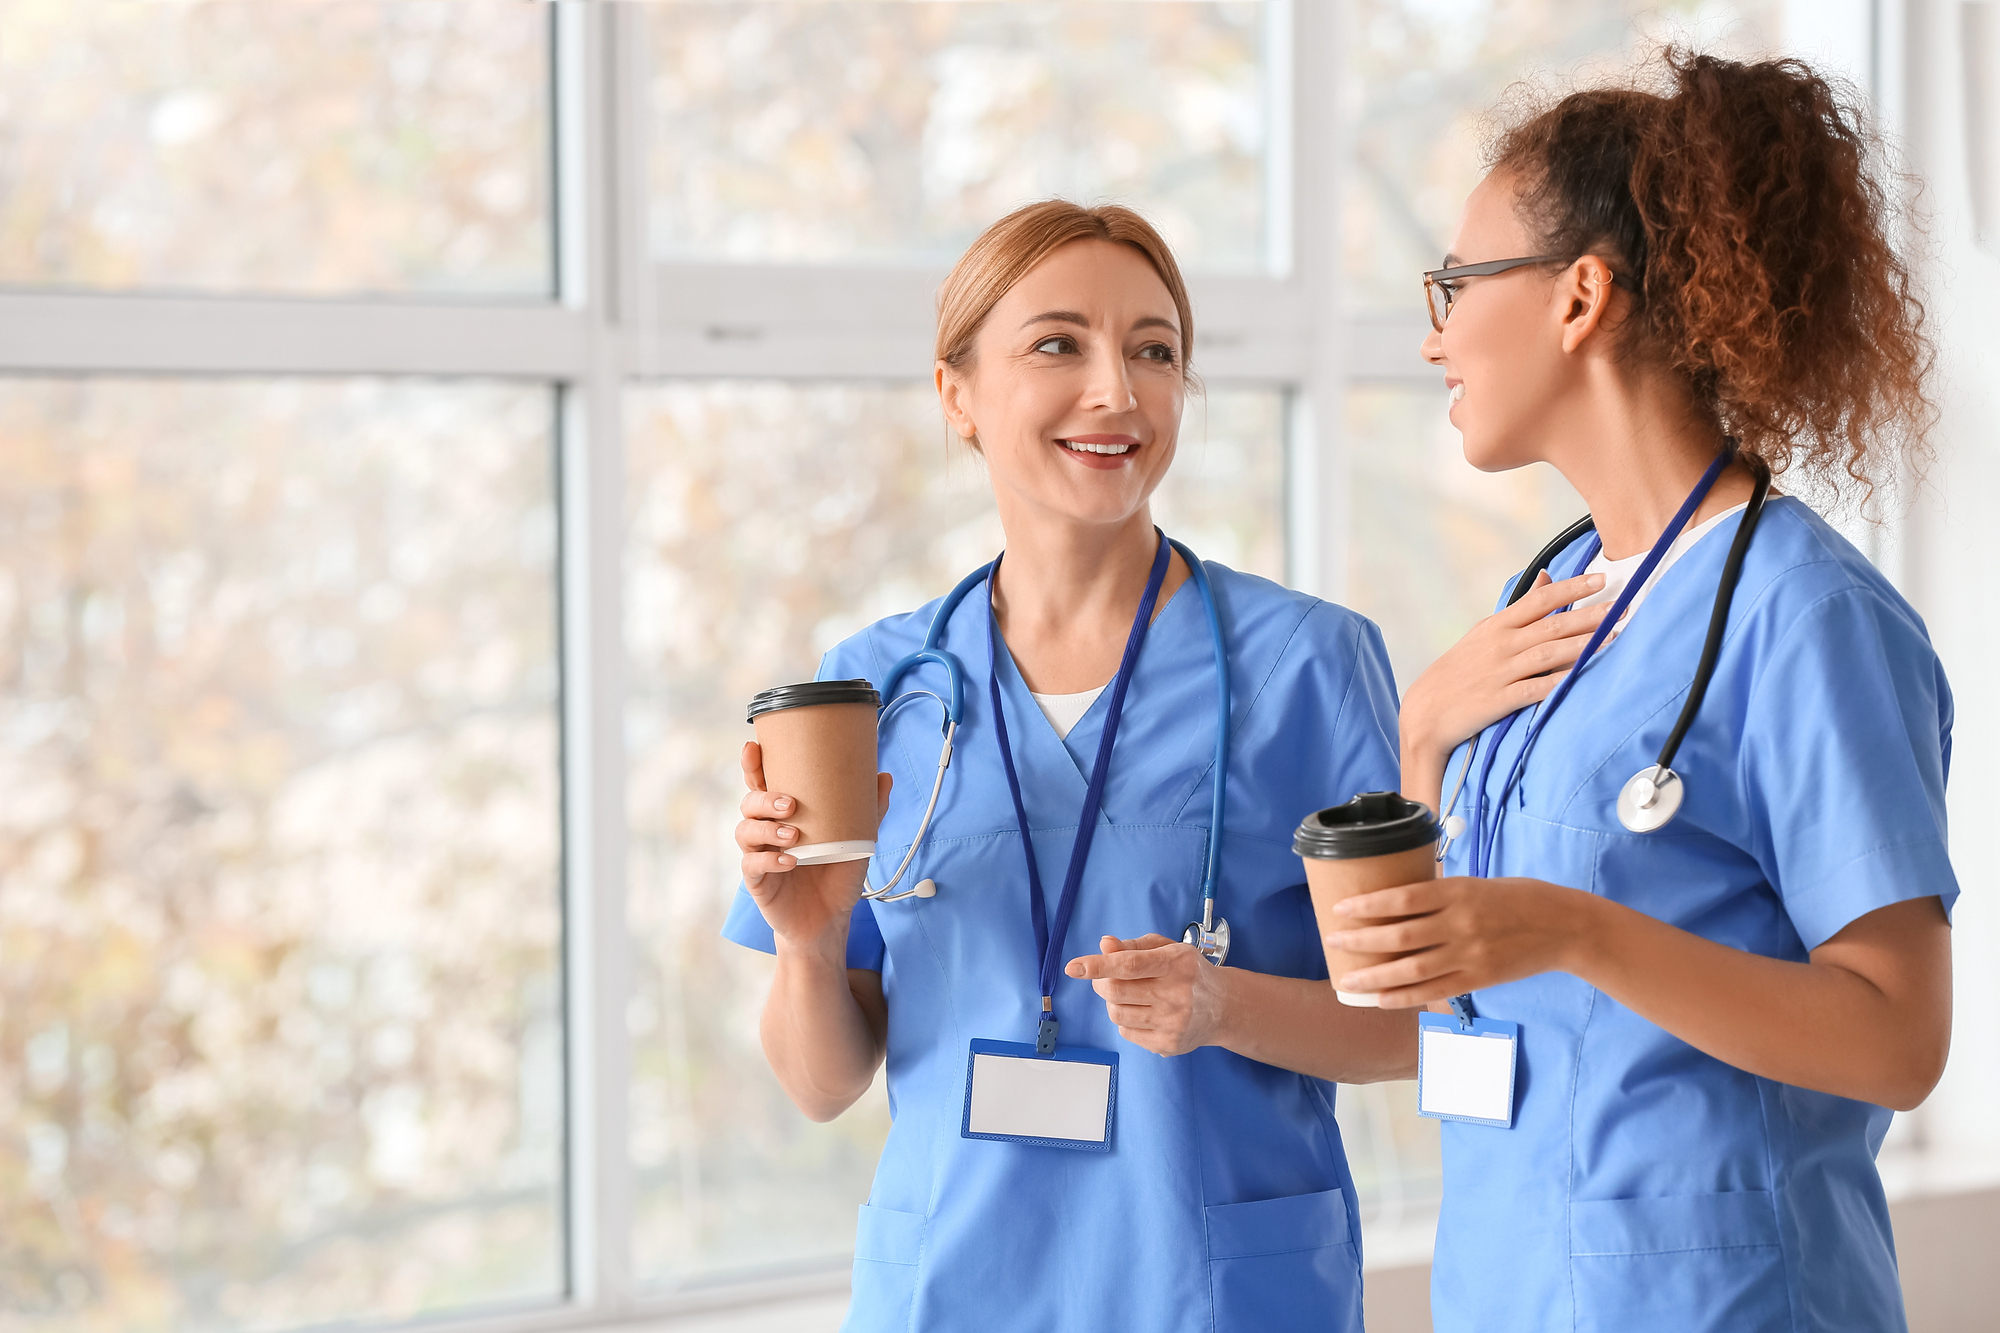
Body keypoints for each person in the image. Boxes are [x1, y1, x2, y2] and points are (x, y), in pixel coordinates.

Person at [1326, 51, 1957, 1332]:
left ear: (1578, 298)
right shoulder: (1546, 596)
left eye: (1454, 283)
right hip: (1510, 1282)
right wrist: (1421, 742)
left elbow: (1897, 1040)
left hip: (1722, 1295)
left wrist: (1580, 931)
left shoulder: (1804, 614)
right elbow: (1468, 974)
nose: (1434, 333)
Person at [726, 200, 1412, 1332]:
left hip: (1216, 1292)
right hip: (952, 1286)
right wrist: (806, 942)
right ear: (956, 395)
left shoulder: (1305, 664)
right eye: (1058, 344)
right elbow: (818, 1082)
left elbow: (1410, 1025)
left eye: (1154, 350)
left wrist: (1222, 1005)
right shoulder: (873, 687)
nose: (1117, 389)